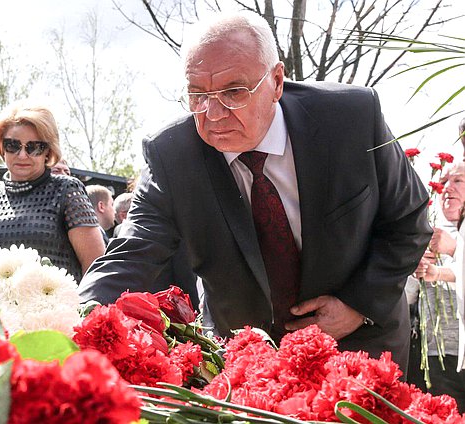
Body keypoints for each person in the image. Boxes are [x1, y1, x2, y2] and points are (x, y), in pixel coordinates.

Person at [78, 11, 431, 373]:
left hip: (360, 347)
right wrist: (74, 324)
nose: (212, 113)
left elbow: (409, 220)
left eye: (233, 92)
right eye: (197, 95)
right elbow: (131, 254)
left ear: (276, 81)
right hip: (244, 365)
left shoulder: (351, 119)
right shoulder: (172, 155)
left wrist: (357, 306)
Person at [0, 102, 105, 282]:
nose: (22, 155)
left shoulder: (67, 190)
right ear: (1, 147)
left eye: (34, 147)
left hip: (55, 307)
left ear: (48, 151)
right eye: (12, 145)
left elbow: (95, 266)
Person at [412, 162, 465, 410]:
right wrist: (415, 269)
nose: (447, 189)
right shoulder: (426, 233)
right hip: (437, 357)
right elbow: (408, 298)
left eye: (458, 182)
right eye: (444, 182)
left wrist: (454, 249)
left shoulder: (452, 240)